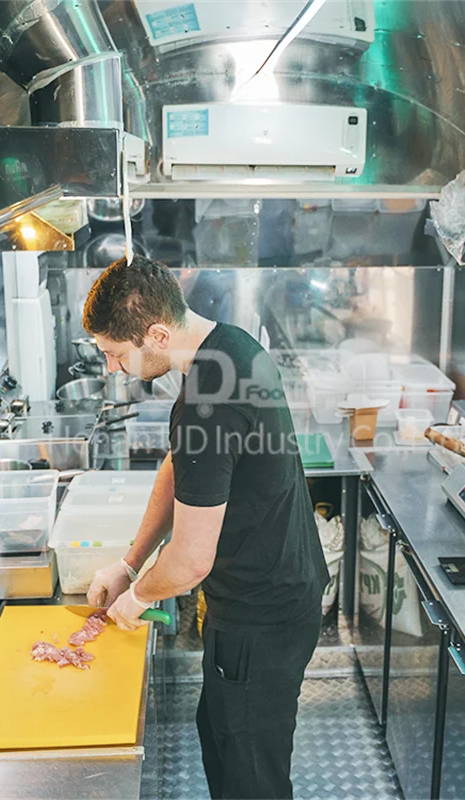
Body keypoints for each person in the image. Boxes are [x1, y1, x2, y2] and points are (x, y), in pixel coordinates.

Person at [84, 255, 328, 799]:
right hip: (279, 590)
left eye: (116, 354)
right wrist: (129, 564)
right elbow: (180, 466)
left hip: (261, 616)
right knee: (220, 740)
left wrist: (136, 598)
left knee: (251, 779)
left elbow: (191, 562)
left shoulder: (208, 402)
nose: (114, 369)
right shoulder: (229, 347)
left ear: (157, 334)